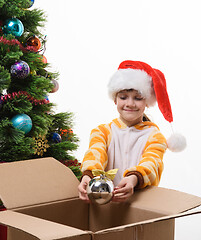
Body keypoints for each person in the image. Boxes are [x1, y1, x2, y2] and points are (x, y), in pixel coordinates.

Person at [78, 60, 186, 203]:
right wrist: (88, 175)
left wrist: (134, 178)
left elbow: (151, 162)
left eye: (138, 98)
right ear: (115, 100)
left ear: (147, 102)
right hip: (105, 204)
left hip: (140, 204)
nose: (130, 103)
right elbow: (95, 154)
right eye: (123, 97)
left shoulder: (155, 136)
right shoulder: (102, 131)